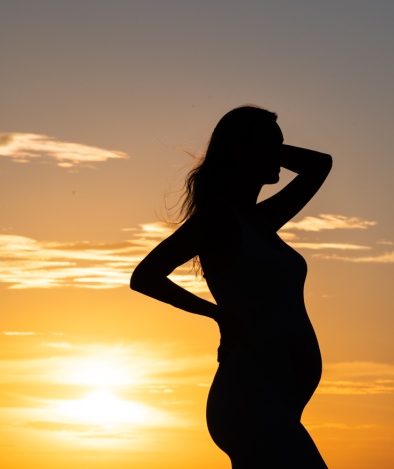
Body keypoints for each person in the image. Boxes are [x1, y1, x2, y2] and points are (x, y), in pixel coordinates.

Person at [130, 105, 331, 468]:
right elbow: (145, 276)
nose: (279, 157)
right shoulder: (218, 219)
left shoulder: (260, 220)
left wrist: (264, 147)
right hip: (252, 398)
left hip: (282, 400)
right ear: (242, 150)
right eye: (270, 145)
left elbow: (320, 165)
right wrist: (219, 315)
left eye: (280, 146)